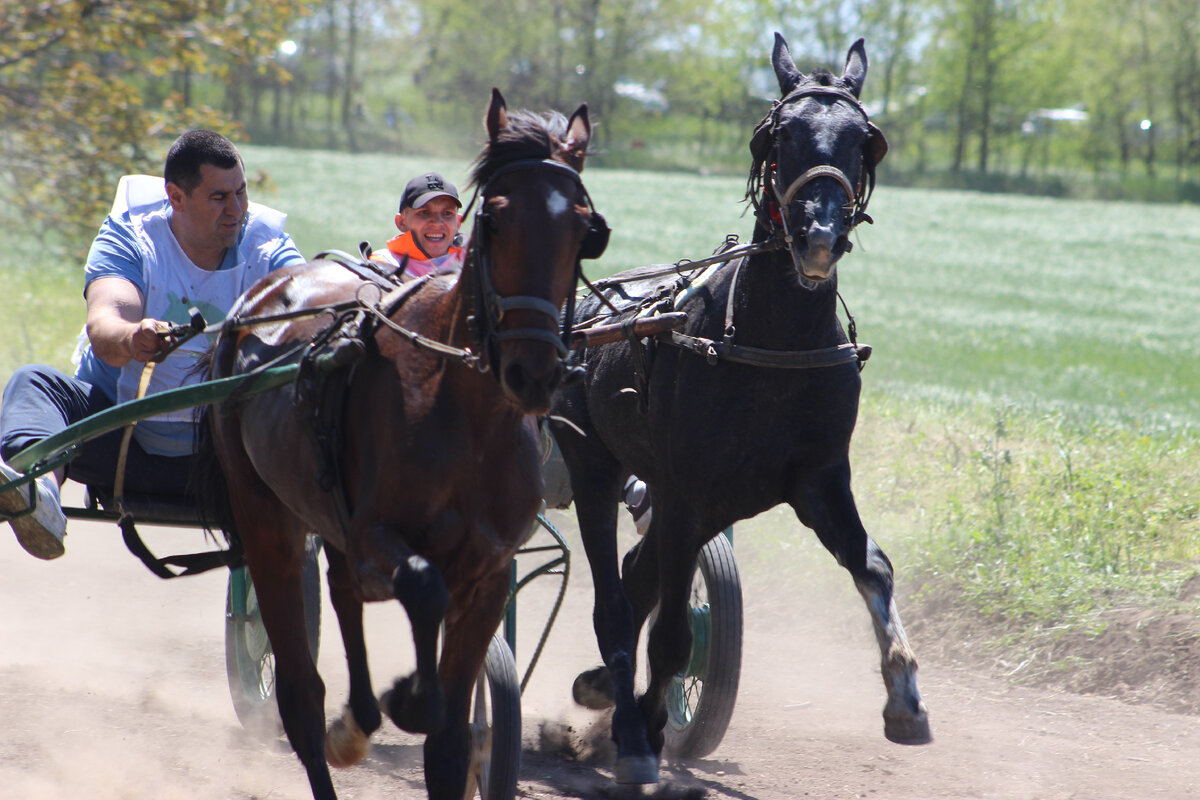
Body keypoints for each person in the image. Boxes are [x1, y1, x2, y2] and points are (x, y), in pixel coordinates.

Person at [0, 129, 306, 560]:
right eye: (219, 198)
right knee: (34, 384)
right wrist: (133, 337)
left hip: (222, 459)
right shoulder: (130, 236)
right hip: (122, 447)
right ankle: (40, 496)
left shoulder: (268, 244)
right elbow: (105, 326)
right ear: (176, 197)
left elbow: (312, 304)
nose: (236, 210)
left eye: (242, 192)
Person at [369, 171, 463, 279]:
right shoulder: (381, 267)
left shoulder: (473, 265)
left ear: (458, 222)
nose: (437, 223)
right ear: (401, 222)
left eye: (447, 213)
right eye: (424, 212)